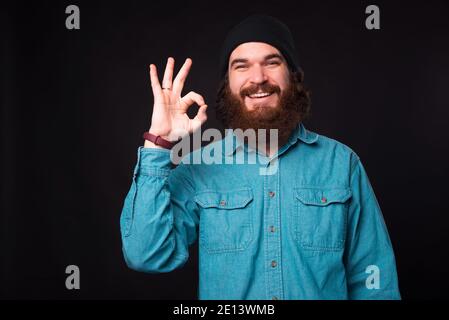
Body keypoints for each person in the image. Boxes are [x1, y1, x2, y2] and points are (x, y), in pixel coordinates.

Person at [120, 14, 401, 300]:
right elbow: (147, 254)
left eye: (272, 62)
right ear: (227, 84)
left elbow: (374, 279)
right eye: (241, 66)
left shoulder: (342, 164)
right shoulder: (198, 168)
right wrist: (159, 142)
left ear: (293, 76)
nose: (258, 78)